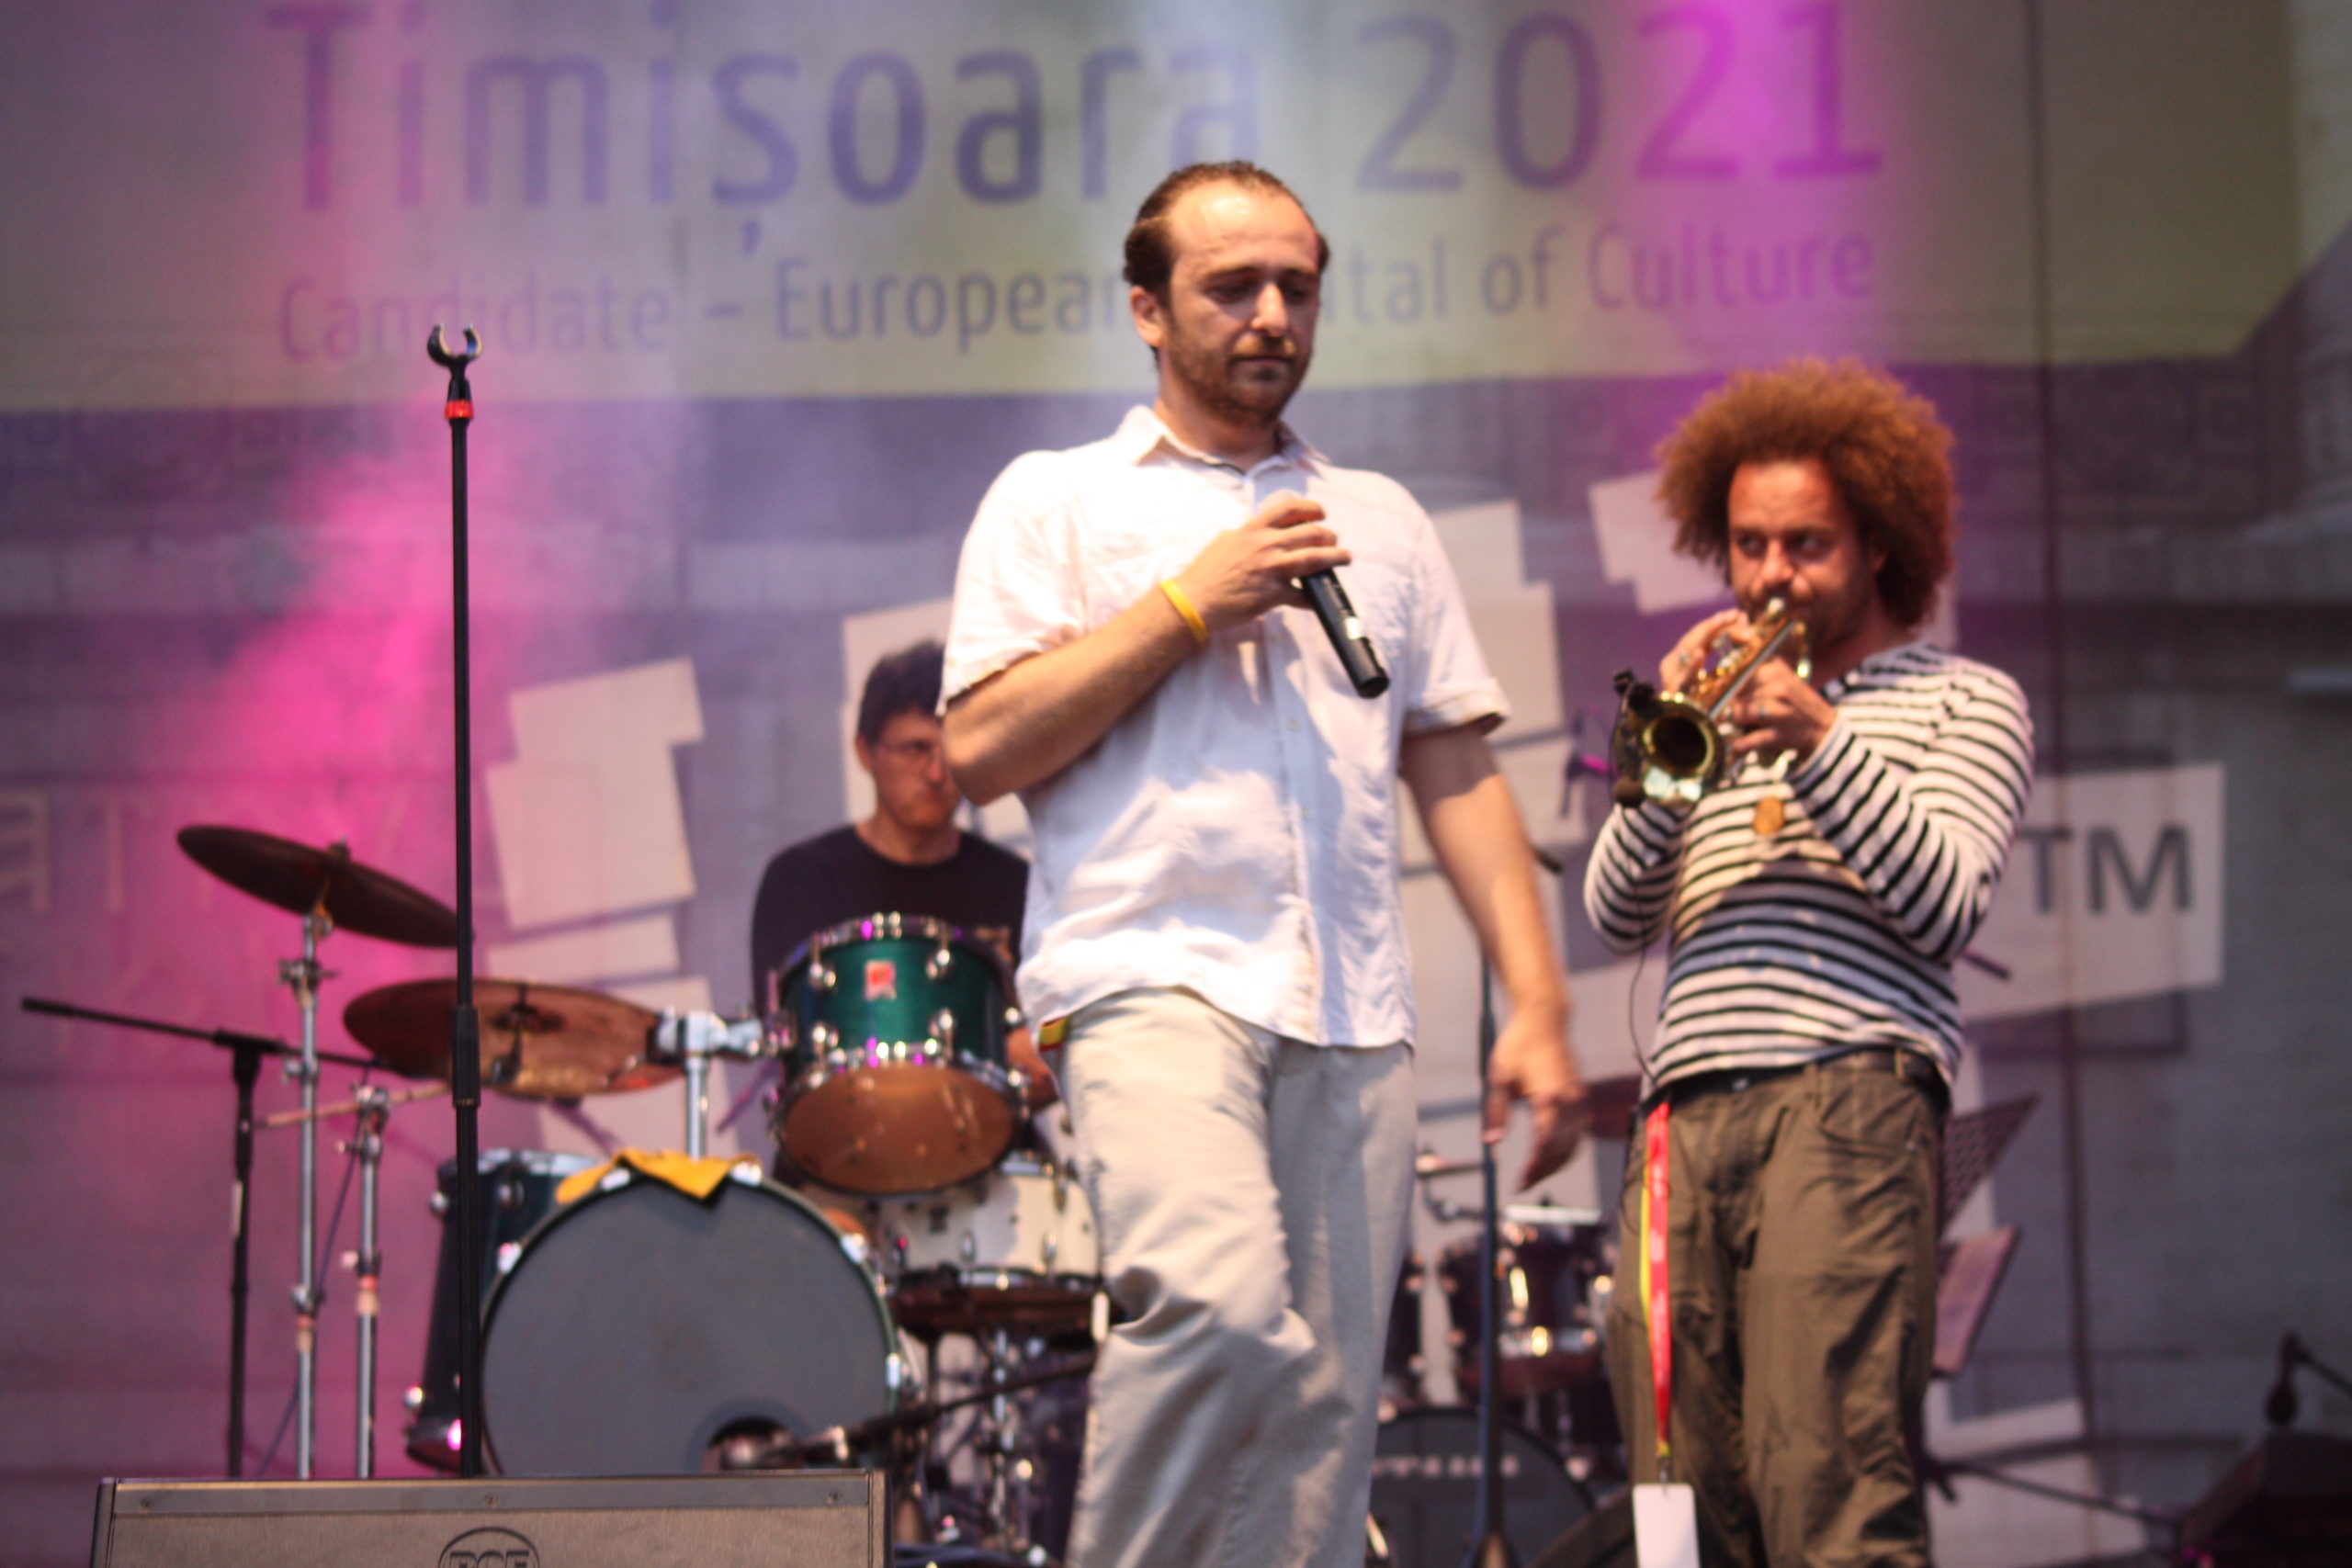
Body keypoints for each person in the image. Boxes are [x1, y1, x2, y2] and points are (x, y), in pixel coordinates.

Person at [939, 160, 1588, 1568]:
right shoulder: (1057, 499)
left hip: (1353, 1009)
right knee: (1220, 1305)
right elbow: (979, 747)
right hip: (1150, 975)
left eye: (1298, 285)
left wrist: (1540, 1000)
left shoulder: (1382, 519)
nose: (1273, 313)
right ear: (1147, 309)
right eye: (1232, 285)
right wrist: (1189, 603)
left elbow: (1456, 771)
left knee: (1318, 1427)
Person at [1582, 359, 2034, 1567]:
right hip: (1680, 1124)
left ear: (1878, 544)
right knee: (1678, 1512)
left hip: (1843, 1103)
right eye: (1748, 545)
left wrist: (1822, 741)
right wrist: (1667, 754)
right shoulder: (1709, 709)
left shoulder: (1966, 700)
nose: (1770, 575)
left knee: (1828, 1486)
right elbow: (1616, 914)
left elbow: (1943, 903)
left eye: (1806, 545)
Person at [749, 638, 1046, 1098]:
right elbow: (783, 1038)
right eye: (915, 749)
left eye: (952, 749)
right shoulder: (800, 879)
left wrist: (1042, 1046)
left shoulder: (1013, 883)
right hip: (844, 1124)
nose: (937, 773)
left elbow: (1055, 1027)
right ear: (865, 751)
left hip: (986, 1128)